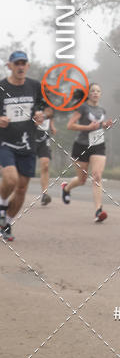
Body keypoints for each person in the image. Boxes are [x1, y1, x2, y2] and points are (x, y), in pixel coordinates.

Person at [0, 51, 46, 241]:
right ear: (9, 66)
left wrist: (41, 115)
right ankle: (2, 206)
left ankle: (7, 223)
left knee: (21, 188)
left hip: (28, 143)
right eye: (16, 63)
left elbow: (45, 107)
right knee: (10, 179)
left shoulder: (35, 86)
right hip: (5, 142)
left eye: (23, 63)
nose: (20, 66)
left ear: (27, 66)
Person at [61, 83, 114, 222]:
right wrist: (87, 127)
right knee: (82, 180)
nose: (96, 93)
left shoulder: (102, 109)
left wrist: (105, 125)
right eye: (93, 91)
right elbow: (70, 125)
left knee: (96, 176)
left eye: (98, 91)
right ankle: (66, 188)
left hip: (98, 145)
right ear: (88, 94)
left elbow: (98, 125)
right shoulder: (83, 107)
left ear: (100, 94)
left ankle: (98, 210)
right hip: (81, 146)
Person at [36, 107, 56, 205]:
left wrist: (52, 126)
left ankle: (45, 194)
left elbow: (50, 114)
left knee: (45, 165)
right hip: (30, 135)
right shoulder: (32, 96)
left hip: (44, 137)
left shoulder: (48, 101)